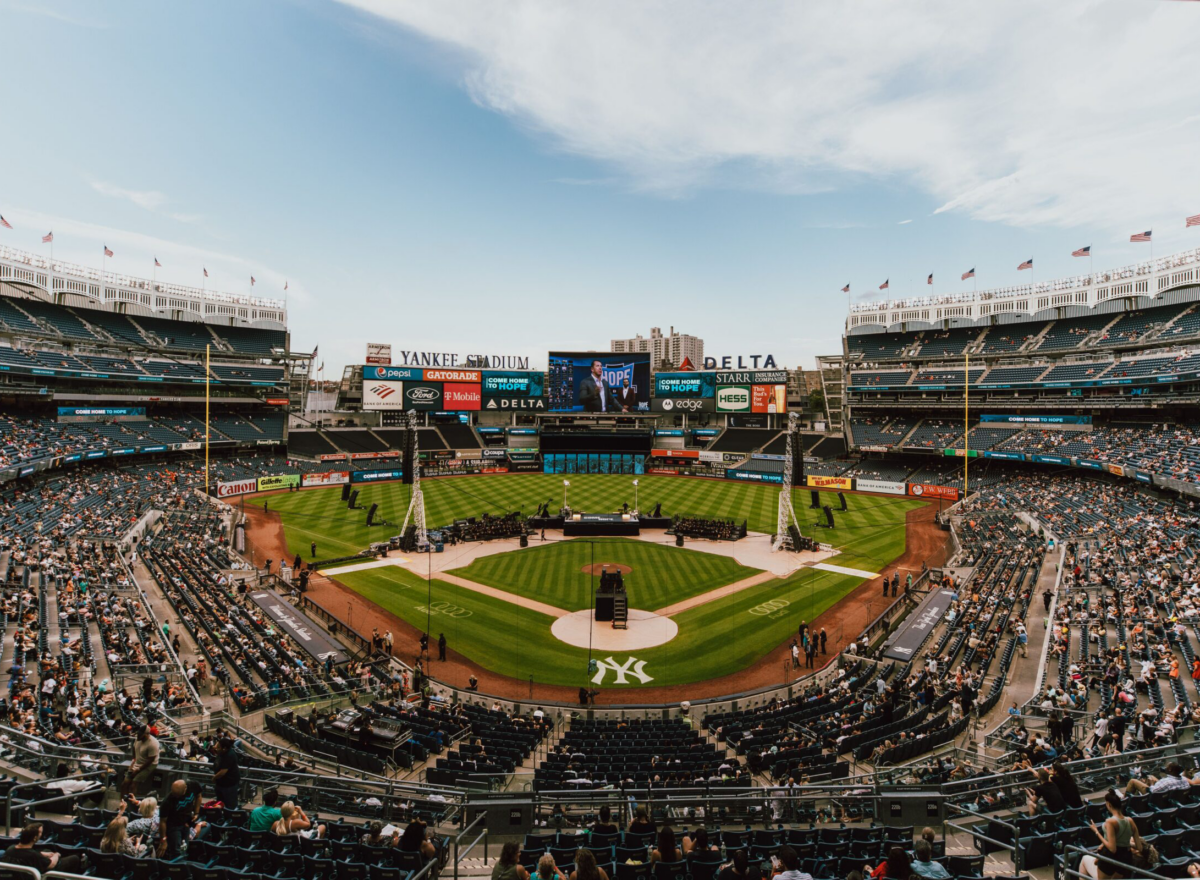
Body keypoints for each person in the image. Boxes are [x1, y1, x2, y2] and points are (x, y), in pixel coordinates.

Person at [1079, 790, 1143, 880]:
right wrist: (1126, 844)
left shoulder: (1110, 821)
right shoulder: (1130, 820)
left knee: (1084, 859)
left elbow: (1112, 849)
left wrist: (1096, 831)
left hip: (1109, 859)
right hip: (1126, 858)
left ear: (1109, 804)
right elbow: (1139, 848)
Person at [2, 823, 82, 874]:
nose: (41, 834)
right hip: (37, 875)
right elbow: (51, 864)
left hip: (18, 874)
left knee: (46, 851)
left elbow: (25, 853)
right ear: (34, 838)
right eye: (40, 833)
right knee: (74, 858)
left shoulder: (10, 848)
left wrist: (43, 854)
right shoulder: (32, 855)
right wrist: (56, 855)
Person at [123, 724, 160, 796]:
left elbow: (150, 760)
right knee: (124, 784)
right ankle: (122, 803)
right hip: (137, 762)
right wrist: (133, 762)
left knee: (133, 785)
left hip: (149, 765)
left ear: (146, 734)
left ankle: (132, 805)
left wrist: (138, 769)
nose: (138, 736)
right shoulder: (137, 739)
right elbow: (134, 750)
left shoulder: (153, 743)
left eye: (140, 734)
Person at [1126, 761, 1191, 795]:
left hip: (1154, 798)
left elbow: (1152, 791)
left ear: (1170, 769)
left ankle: (1124, 801)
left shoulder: (1166, 782)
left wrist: (1151, 784)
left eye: (1167, 767)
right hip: (1172, 797)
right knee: (1151, 776)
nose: (1165, 768)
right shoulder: (1185, 780)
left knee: (1133, 781)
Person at [213, 738, 241, 808]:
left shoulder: (229, 755)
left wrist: (214, 778)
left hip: (229, 785)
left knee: (229, 805)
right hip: (221, 784)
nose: (216, 748)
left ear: (224, 748)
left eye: (218, 747)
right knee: (219, 804)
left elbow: (223, 772)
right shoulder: (222, 752)